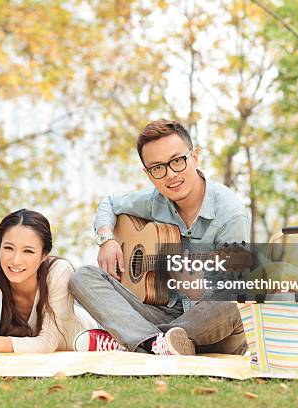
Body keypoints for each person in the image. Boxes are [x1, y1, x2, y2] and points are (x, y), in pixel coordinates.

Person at [69, 118, 249, 355]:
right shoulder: (155, 201)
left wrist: (197, 292)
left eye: (177, 161)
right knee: (83, 276)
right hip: (162, 311)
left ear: (194, 157)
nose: (170, 175)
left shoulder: (230, 214)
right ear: (148, 173)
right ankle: (158, 344)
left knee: (233, 299)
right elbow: (110, 203)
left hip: (211, 327)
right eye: (157, 168)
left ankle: (137, 340)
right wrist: (107, 239)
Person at [0, 209, 98, 355]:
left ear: (44, 255)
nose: (16, 260)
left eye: (28, 251)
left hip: (89, 335)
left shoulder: (58, 271)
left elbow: (47, 343)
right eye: (8, 248)